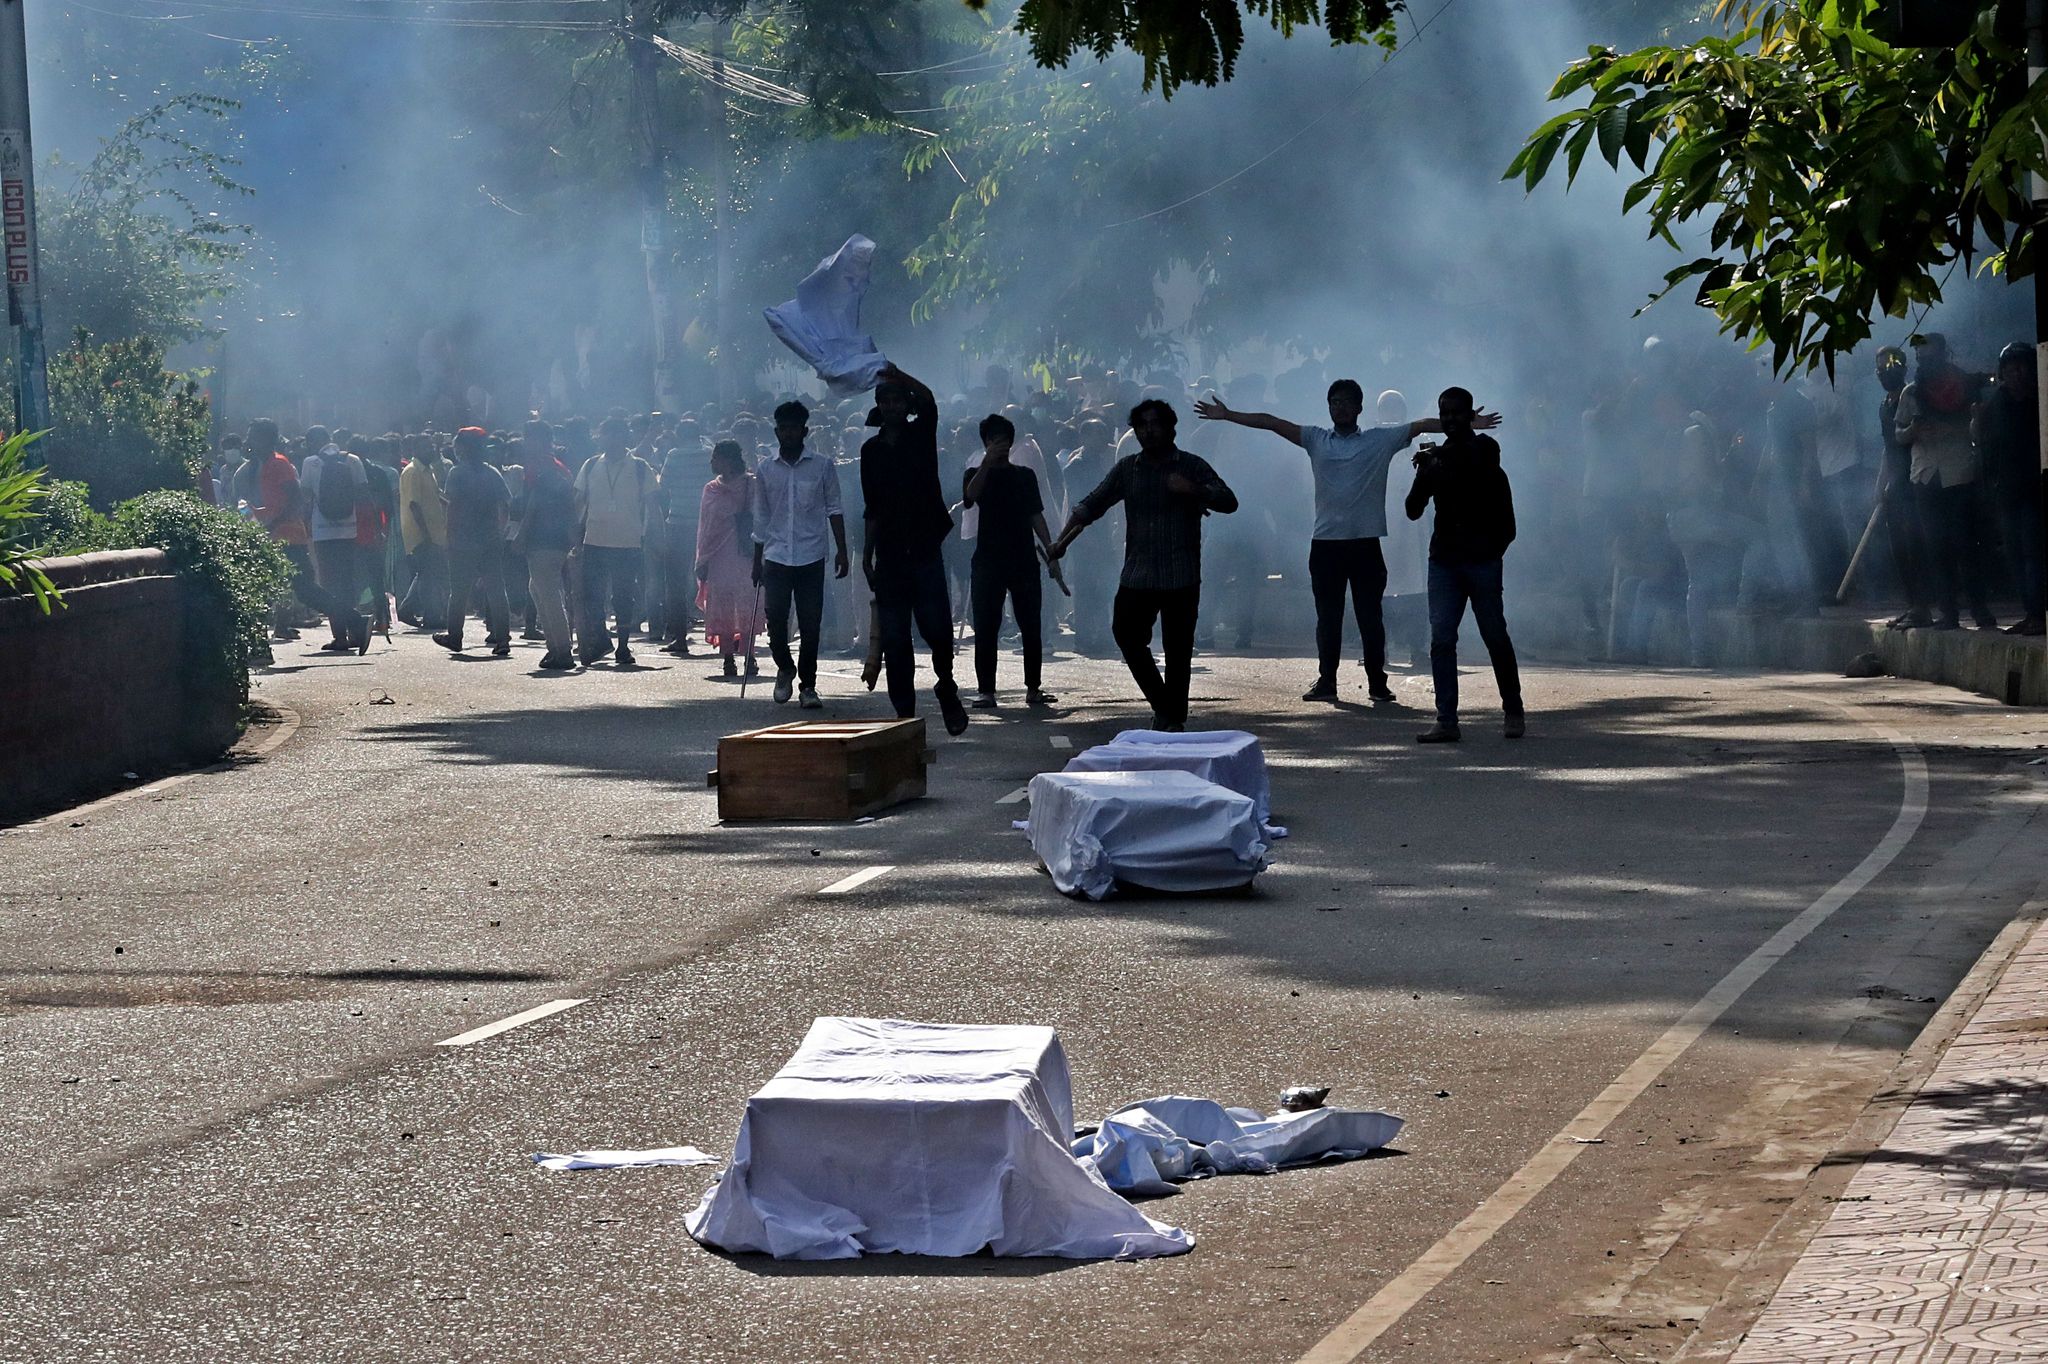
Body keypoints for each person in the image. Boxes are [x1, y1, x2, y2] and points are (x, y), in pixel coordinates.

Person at [1196, 380, 1500, 703]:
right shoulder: (1316, 439)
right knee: (1328, 618)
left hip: (1365, 544)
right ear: (1329, 407)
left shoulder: (1378, 441)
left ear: (1359, 408)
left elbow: (1423, 425)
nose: (1340, 407)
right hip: (1326, 544)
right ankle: (1327, 680)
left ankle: (1376, 682)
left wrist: (1466, 424)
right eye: (1334, 402)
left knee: (1370, 617)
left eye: (1346, 402)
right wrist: (1227, 415)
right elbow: (1272, 423)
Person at [1050, 398, 1238, 731]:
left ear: (1171, 428)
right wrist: (1061, 543)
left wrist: (1192, 489)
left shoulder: (1191, 466)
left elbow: (1228, 500)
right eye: (1142, 426)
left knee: (1178, 651)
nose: (1149, 432)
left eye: (1155, 424)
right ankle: (1167, 708)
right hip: (1139, 572)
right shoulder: (1127, 469)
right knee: (1126, 635)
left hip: (1181, 572)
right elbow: (1091, 505)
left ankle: (1171, 720)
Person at [1404, 387, 1524, 743]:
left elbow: (1506, 521)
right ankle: (1446, 719)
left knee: (1494, 636)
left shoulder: (1483, 452)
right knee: (1441, 641)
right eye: (1445, 414)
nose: (1451, 419)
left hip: (1481, 561)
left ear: (1470, 417)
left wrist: (1493, 552)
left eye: (1458, 413)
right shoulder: (1436, 460)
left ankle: (1513, 709)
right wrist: (1423, 472)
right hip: (1445, 562)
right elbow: (1412, 510)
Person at [861, 365, 969, 736]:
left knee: (937, 629)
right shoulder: (870, 451)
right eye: (885, 400)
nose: (891, 406)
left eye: (896, 400)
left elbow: (928, 401)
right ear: (878, 406)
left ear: (904, 406)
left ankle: (946, 684)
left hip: (924, 547)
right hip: (889, 553)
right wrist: (866, 554)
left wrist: (900, 375)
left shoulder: (921, 434)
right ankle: (903, 717)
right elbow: (872, 506)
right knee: (895, 639)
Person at [752, 400, 848, 708]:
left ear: (804, 431)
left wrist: (842, 550)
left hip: (811, 554)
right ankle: (785, 666)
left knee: (810, 623)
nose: (789, 433)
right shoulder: (766, 469)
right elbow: (761, 516)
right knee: (776, 620)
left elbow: (834, 507)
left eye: (795, 428)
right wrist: (757, 559)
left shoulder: (822, 466)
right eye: (784, 428)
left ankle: (808, 684)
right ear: (776, 431)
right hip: (777, 554)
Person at [1897, 333, 1995, 630]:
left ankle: (1979, 610)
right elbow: (1899, 435)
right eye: (1920, 355)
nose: (1925, 359)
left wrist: (1976, 419)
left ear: (1943, 353)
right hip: (1927, 476)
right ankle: (1949, 613)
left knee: (1967, 547)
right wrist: (1914, 429)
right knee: (1937, 549)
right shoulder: (1911, 393)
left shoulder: (1964, 385)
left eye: (1930, 353)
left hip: (1959, 474)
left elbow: (1979, 432)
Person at [962, 413, 1059, 708]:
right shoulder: (975, 472)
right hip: (988, 560)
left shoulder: (1024, 475)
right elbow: (969, 498)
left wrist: (1050, 549)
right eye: (993, 440)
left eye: (1003, 440)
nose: (999, 445)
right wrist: (986, 465)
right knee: (987, 626)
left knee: (1030, 625)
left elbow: (1035, 514)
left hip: (1023, 558)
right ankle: (986, 690)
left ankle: (1033, 687)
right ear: (986, 443)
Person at [1973, 342, 2046, 635]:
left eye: (2022, 366)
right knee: (2015, 555)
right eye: (2010, 367)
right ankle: (2031, 612)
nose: (2016, 373)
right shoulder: (1995, 404)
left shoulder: (2039, 402)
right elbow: (1985, 448)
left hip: (2034, 490)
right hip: (2007, 491)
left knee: (2033, 553)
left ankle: (2038, 613)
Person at [574, 414, 658, 666]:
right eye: (605, 435)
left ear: (625, 437)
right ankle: (600, 639)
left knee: (623, 596)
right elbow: (578, 502)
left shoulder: (641, 467)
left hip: (628, 542)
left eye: (615, 435)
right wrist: (573, 538)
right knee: (593, 595)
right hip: (594, 540)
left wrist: (657, 538)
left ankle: (623, 645)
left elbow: (653, 508)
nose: (609, 440)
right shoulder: (590, 465)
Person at [434, 427, 513, 657]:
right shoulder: (493, 473)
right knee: (497, 590)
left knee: (458, 591)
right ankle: (503, 639)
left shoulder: (457, 474)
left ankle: (455, 636)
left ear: (466, 448)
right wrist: (500, 530)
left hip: (463, 541)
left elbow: (454, 508)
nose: (456, 449)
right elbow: (505, 504)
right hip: (490, 539)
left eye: (458, 444)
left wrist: (448, 536)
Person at [244, 418, 322, 643]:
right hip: (272, 535)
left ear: (265, 439)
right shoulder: (257, 466)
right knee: (279, 584)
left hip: (286, 536)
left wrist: (273, 522)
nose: (248, 441)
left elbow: (295, 499)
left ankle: (348, 617)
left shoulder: (278, 464)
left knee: (298, 586)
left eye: (252, 436)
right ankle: (272, 631)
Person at [1874, 346, 1933, 629]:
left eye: (1891, 365)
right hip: (1896, 486)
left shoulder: (1911, 397)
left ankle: (1922, 607)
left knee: (1915, 547)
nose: (1886, 371)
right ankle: (1912, 605)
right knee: (1899, 549)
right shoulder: (1885, 404)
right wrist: (1880, 484)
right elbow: (1887, 449)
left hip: (1915, 482)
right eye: (1881, 368)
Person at [301, 427, 372, 655]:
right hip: (349, 531)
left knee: (329, 584)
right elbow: (363, 495)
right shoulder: (353, 460)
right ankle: (355, 632)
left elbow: (305, 498)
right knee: (348, 582)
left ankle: (340, 636)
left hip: (323, 532)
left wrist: (305, 529)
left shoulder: (310, 463)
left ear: (313, 442)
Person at [698, 440, 763, 679]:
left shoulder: (751, 485)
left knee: (746, 604)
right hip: (717, 556)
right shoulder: (711, 489)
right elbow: (704, 526)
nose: (712, 462)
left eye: (716, 457)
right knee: (723, 606)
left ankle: (749, 656)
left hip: (745, 554)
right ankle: (727, 657)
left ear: (730, 459)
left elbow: (761, 517)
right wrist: (702, 558)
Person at [518, 421, 579, 670]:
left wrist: (521, 535)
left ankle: (562, 649)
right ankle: (554, 647)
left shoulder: (540, 468)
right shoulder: (560, 469)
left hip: (543, 540)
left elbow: (533, 506)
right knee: (540, 591)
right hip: (559, 540)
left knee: (549, 595)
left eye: (528, 438)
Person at [398, 434, 449, 629]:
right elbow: (414, 505)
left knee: (427, 573)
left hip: (434, 532)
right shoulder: (412, 472)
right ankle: (431, 617)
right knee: (429, 576)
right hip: (421, 532)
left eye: (431, 447)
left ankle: (407, 609)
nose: (431, 450)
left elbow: (436, 497)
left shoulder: (429, 471)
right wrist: (425, 533)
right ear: (415, 450)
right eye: (426, 447)